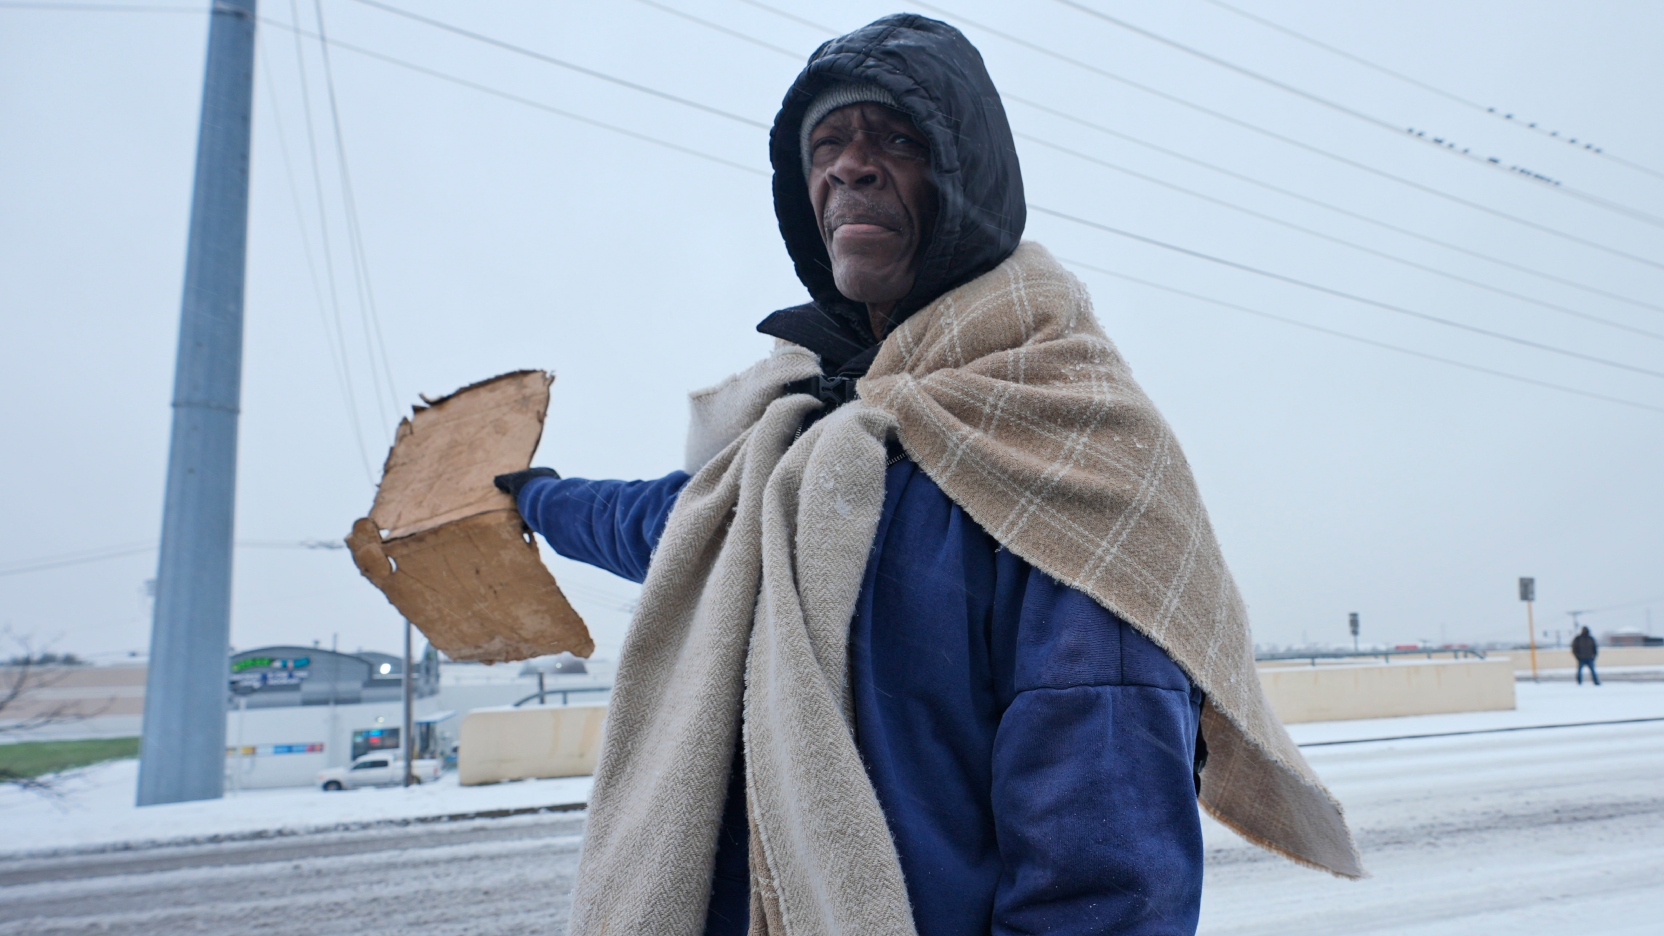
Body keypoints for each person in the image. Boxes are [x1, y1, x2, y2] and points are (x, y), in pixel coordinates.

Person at [496, 14, 1359, 936]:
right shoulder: (797, 438)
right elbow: (674, 530)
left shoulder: (1071, 450)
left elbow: (1103, 870)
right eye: (826, 145)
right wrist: (538, 498)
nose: (849, 167)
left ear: (964, 179)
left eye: (896, 140)